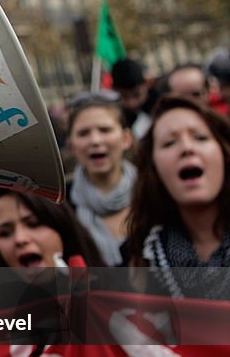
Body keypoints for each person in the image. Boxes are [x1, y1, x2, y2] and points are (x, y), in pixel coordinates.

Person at [125, 96, 230, 300]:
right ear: (153, 170)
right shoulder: (142, 261)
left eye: (200, 137)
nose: (186, 148)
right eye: (169, 143)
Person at [65, 90, 135, 265]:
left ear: (126, 139)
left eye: (105, 130)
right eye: (83, 133)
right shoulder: (63, 207)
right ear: (72, 145)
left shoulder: (155, 193)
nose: (95, 140)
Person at [111, 57, 155, 140]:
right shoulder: (115, 114)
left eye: (136, 95)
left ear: (148, 84)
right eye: (124, 96)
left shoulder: (162, 105)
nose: (131, 103)